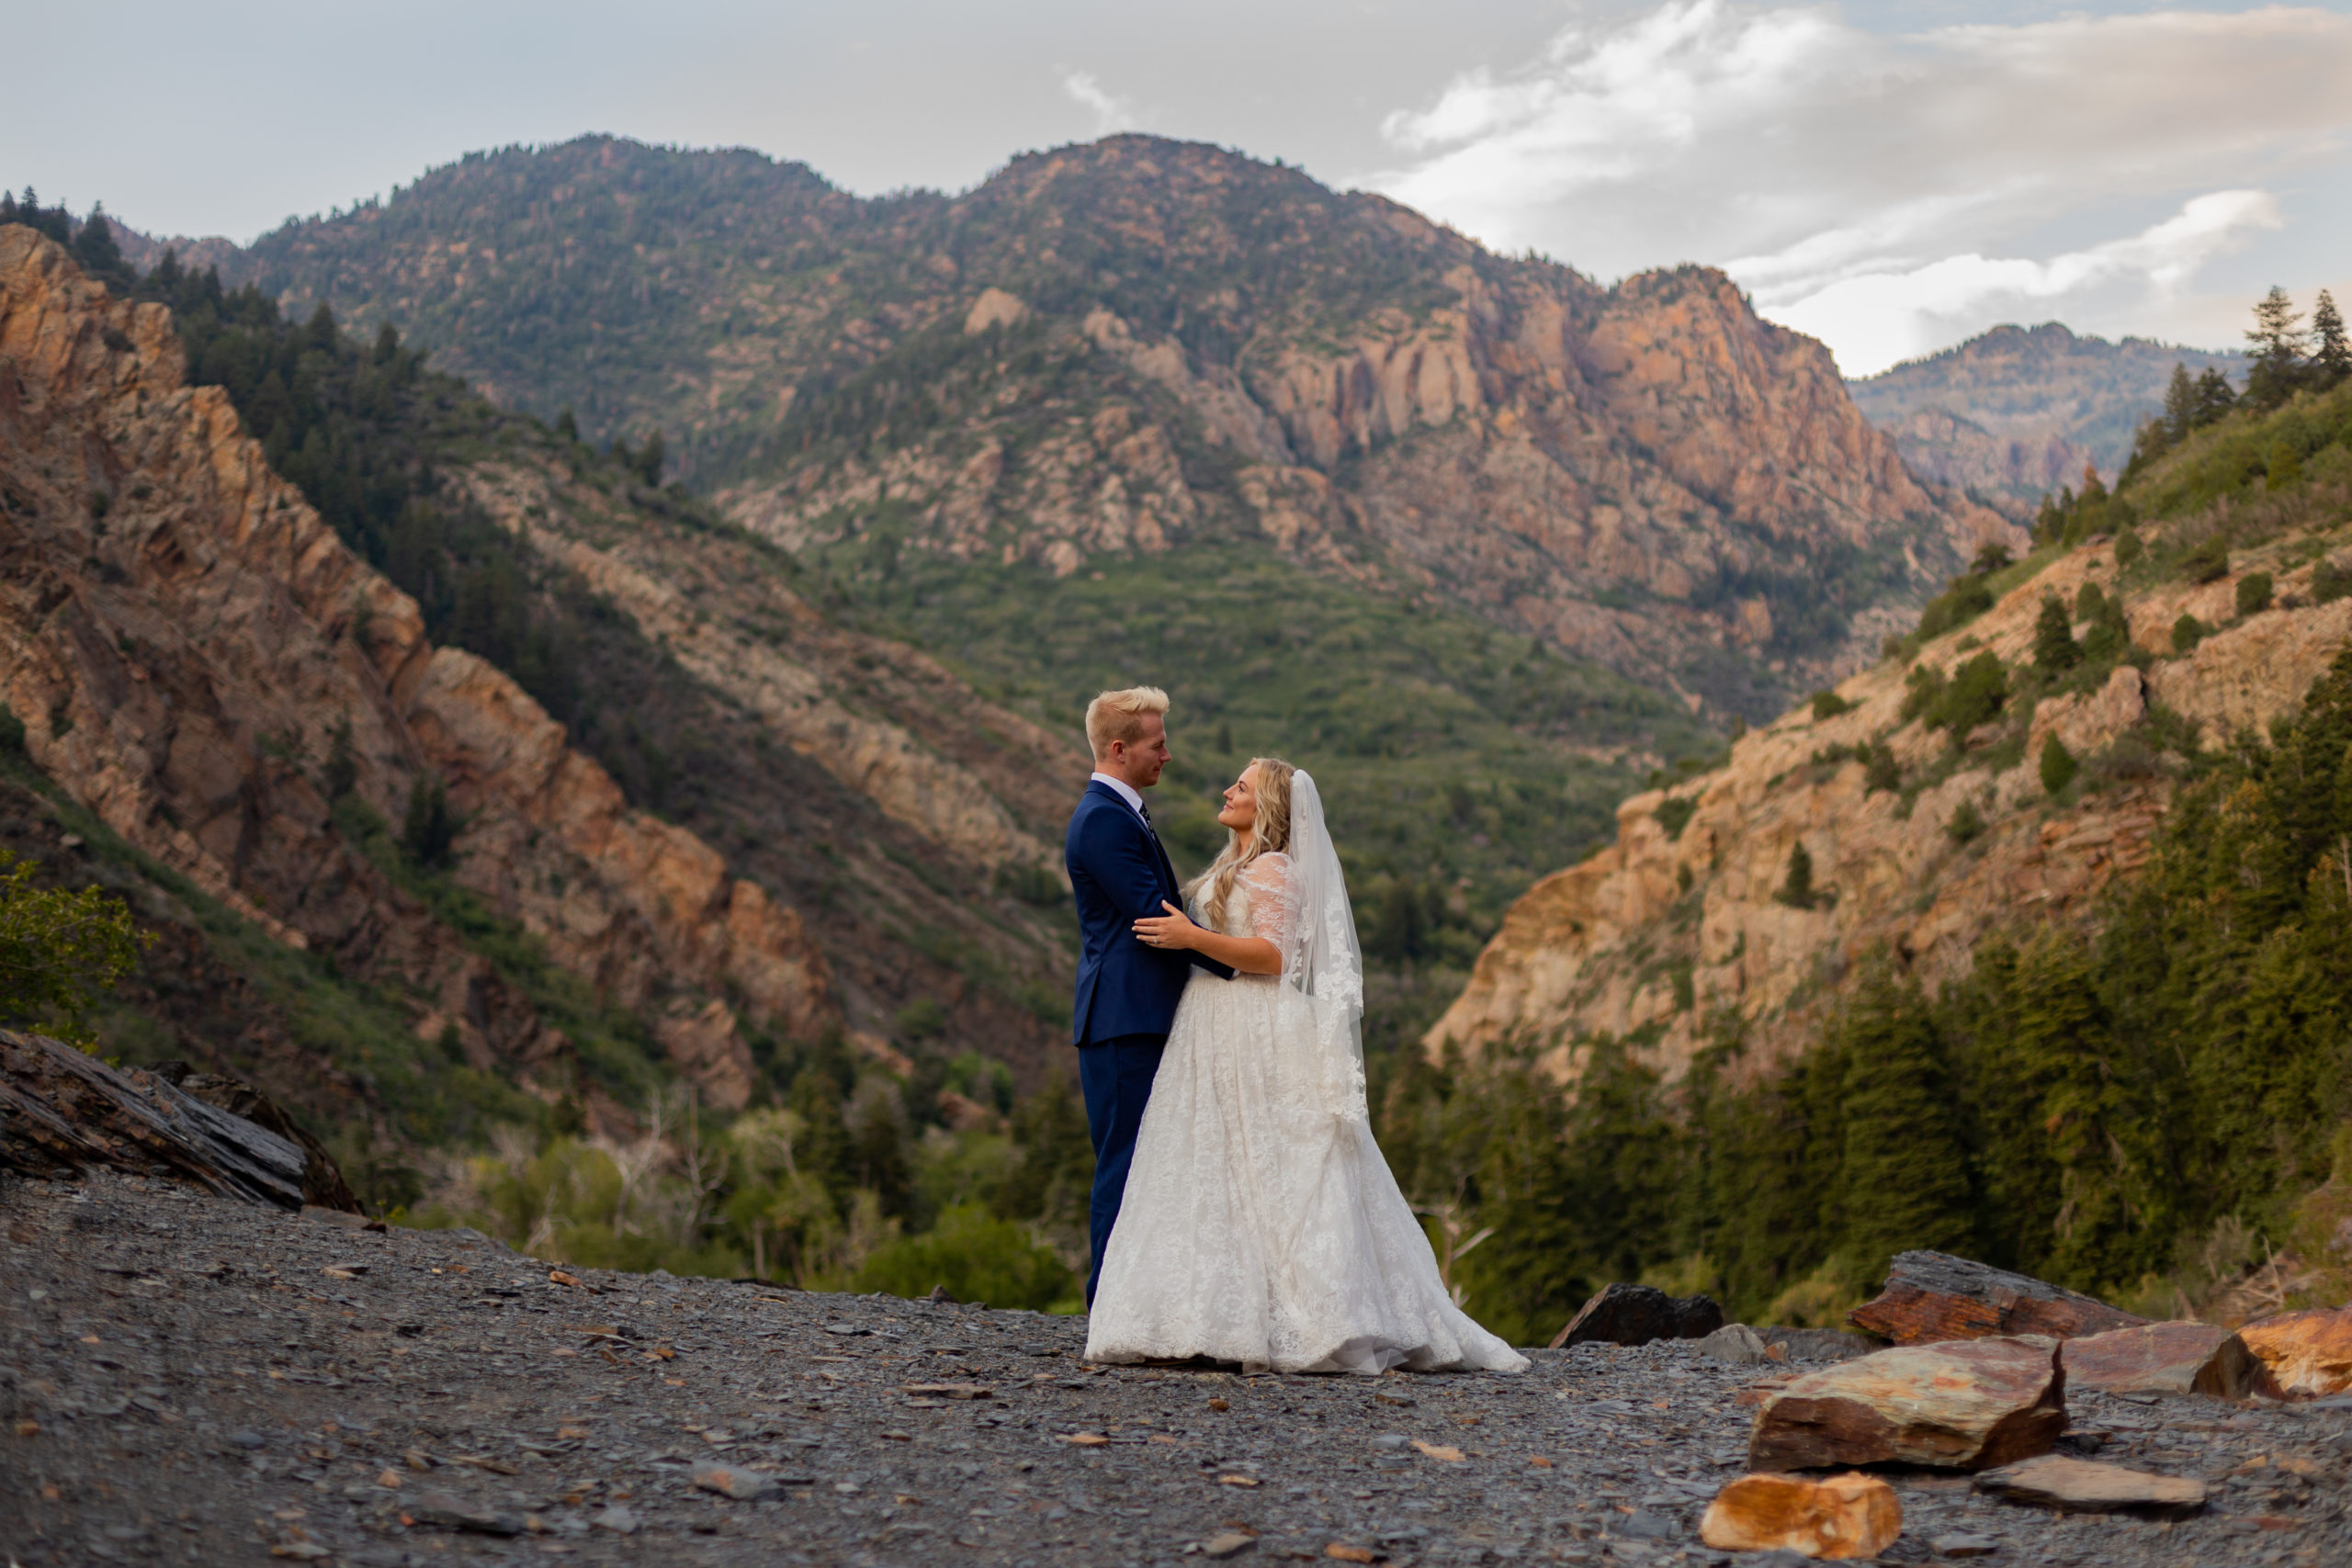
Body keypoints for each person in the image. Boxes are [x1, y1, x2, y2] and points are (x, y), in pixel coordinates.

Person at [1083, 755, 1527, 1375]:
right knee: (1214, 1165)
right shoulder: (1235, 864)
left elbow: (1272, 956)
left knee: (1275, 1166)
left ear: (1265, 805)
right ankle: (1200, 1314)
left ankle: (1304, 1315)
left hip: (1252, 1024)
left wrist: (1192, 938)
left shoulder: (1275, 869)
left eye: (1240, 786)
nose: (1226, 789)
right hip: (1209, 1023)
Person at [1064, 687, 1231, 1307]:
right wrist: (1245, 964)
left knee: (1146, 1163)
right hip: (1123, 1019)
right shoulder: (1104, 819)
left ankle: (1139, 1305)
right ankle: (1108, 1307)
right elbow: (1153, 918)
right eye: (1157, 744)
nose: (1168, 753)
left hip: (1138, 1015)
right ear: (1119, 748)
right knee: (1126, 1164)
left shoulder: (1121, 811)